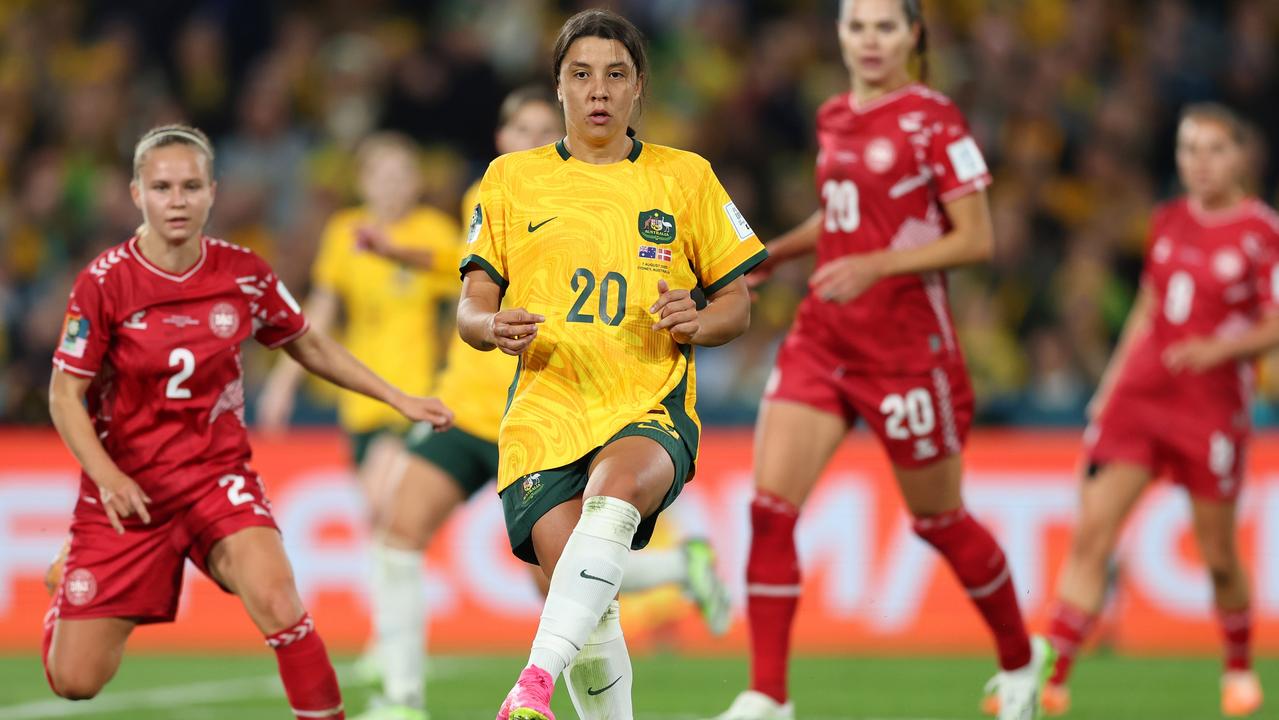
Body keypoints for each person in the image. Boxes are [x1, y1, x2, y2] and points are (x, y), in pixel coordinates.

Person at [41, 124, 453, 720]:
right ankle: (69, 574)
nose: (177, 201)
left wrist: (399, 398)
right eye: (162, 187)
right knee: (75, 682)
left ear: (213, 191)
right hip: (129, 490)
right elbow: (63, 397)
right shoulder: (104, 283)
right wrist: (108, 478)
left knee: (278, 598)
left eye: (190, 186)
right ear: (137, 195)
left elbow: (308, 343)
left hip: (216, 477)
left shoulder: (243, 272)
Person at [712, 2, 1051, 719]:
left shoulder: (935, 120)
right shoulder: (833, 114)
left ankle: (1022, 658)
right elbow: (836, 215)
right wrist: (767, 257)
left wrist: (876, 264)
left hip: (904, 353)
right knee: (770, 510)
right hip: (821, 338)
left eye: (884, 27)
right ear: (839, 35)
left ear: (913, 36)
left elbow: (976, 239)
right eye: (856, 26)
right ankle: (767, 695)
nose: (869, 41)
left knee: (937, 521)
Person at [357, 86, 732, 720]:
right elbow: (470, 281)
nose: (532, 138)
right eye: (521, 128)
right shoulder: (497, 192)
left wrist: (400, 253)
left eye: (541, 126)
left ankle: (555, 665)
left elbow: (449, 258)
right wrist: (477, 320)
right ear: (502, 139)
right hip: (483, 412)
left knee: (577, 588)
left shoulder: (620, 189)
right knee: (398, 531)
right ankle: (401, 700)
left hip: (581, 410)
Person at [457, 10, 766, 719]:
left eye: (615, 75)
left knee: (616, 492)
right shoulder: (509, 180)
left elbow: (736, 307)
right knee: (591, 612)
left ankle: (531, 684)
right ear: (559, 88)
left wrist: (699, 316)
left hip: (644, 400)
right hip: (543, 415)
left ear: (638, 89)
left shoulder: (684, 177)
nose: (598, 90)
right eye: (580, 74)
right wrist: (488, 325)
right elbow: (471, 307)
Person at [1040, 104, 1275, 718]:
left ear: (1241, 157)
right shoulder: (1167, 220)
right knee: (1093, 533)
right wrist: (1109, 389)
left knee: (1219, 555)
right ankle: (1051, 681)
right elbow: (1147, 307)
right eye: (1188, 149)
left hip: (1211, 407)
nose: (1199, 162)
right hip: (1142, 399)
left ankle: (1238, 667)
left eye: (1214, 149)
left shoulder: (1262, 233)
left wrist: (1220, 349)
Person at [257, 131, 460, 533]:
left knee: (385, 506)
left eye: (402, 175)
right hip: (361, 398)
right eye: (383, 176)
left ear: (417, 182)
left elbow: (464, 306)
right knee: (379, 519)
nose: (393, 185)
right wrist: (283, 384)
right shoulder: (345, 230)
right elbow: (320, 312)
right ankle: (395, 591)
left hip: (418, 390)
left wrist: (460, 374)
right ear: (363, 182)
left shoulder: (433, 231)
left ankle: (396, 587)